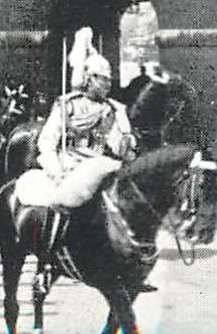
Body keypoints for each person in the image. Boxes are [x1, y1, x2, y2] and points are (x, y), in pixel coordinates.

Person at [31, 28, 137, 253]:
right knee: (59, 207)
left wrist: (126, 140)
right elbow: (47, 142)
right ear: (88, 79)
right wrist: (55, 169)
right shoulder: (67, 105)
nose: (108, 84)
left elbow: (117, 147)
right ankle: (48, 259)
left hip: (99, 165)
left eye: (109, 80)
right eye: (102, 79)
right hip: (69, 165)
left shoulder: (111, 109)